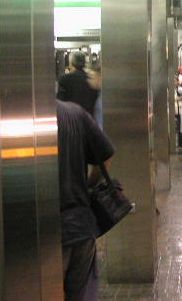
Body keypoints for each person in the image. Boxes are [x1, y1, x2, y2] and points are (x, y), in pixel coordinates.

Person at [57, 100, 115, 301]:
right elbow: (106, 156)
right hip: (81, 224)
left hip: (38, 237)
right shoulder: (75, 113)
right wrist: (88, 185)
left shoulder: (8, 118)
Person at [57, 51, 99, 118]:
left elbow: (60, 102)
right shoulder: (91, 78)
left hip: (71, 118)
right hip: (89, 118)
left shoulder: (64, 79)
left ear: (71, 63)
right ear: (84, 62)